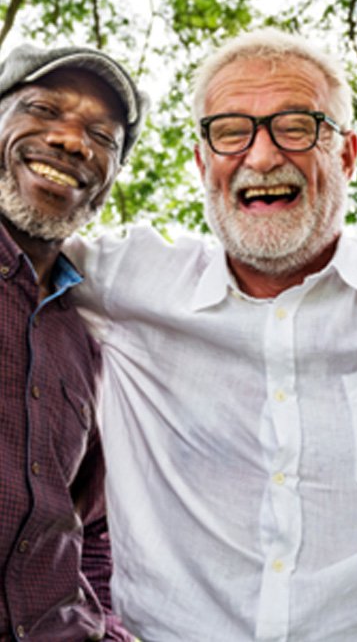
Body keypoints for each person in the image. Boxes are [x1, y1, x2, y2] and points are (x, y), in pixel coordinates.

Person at [67, 28, 357, 641]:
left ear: (346, 155)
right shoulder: (121, 283)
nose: (263, 156)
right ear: (202, 162)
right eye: (230, 132)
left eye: (297, 127)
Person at [0, 43, 148, 641]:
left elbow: (94, 529)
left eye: (103, 137)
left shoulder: (87, 340)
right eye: (43, 109)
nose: (71, 141)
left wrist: (108, 626)